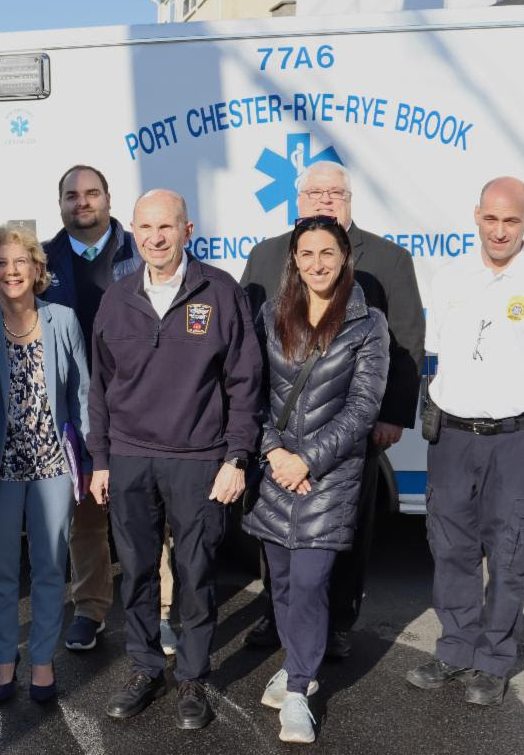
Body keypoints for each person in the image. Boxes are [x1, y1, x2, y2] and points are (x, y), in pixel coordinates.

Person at [406, 177, 524, 707]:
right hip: (454, 438)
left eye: (511, 220)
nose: (500, 230)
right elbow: (438, 350)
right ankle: (455, 650)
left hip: (517, 440)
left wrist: (523, 393)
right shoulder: (449, 280)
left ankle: (493, 660)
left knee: (512, 554)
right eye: (491, 218)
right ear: (476, 217)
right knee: (451, 547)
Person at [88, 189, 262, 730]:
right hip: (131, 458)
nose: (155, 238)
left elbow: (245, 382)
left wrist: (237, 457)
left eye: (166, 228)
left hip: (199, 459)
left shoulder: (220, 291)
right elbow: (99, 387)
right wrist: (100, 460)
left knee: (196, 573)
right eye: (145, 228)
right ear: (133, 232)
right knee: (137, 573)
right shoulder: (116, 298)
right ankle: (144, 669)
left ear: (188, 231)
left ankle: (192, 677)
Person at [240, 161, 424, 657]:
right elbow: (246, 348)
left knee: (345, 527)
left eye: (335, 193)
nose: (324, 200)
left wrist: (393, 414)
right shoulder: (265, 255)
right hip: (278, 433)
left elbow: (407, 339)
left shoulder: (389, 258)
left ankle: (338, 619)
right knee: (274, 532)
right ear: (298, 201)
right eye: (314, 193)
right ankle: (276, 618)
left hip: (346, 428)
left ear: (349, 200)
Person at [242, 216, 390, 744]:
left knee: (309, 582)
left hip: (329, 477)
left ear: (344, 257)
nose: (317, 264)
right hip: (275, 470)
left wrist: (306, 460)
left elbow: (362, 407)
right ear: (294, 260)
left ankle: (300, 689)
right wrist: (274, 452)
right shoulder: (269, 315)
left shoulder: (368, 324)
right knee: (279, 583)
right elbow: (249, 394)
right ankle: (293, 661)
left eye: (327, 252)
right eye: (306, 254)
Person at [0, 223, 91, 704]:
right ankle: (3, 661)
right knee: (1, 574)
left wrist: (94, 462)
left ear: (37, 269)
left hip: (53, 467)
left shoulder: (64, 319)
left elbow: (82, 394)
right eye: (1, 263)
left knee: (52, 567)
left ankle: (41, 661)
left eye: (20, 262)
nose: (11, 271)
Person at [40, 164, 145, 652]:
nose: (82, 202)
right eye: (71, 195)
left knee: (147, 509)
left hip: (137, 398)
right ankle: (90, 608)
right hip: (75, 406)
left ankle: (162, 609)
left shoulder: (140, 253)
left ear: (108, 198)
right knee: (86, 511)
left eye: (91, 193)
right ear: (59, 202)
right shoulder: (42, 261)